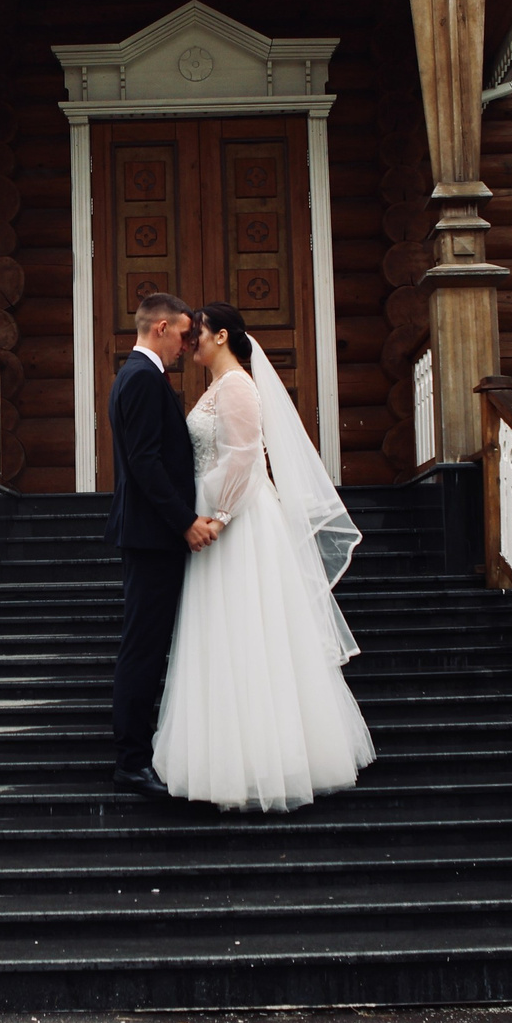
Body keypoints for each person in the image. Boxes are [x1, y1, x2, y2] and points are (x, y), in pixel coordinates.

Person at [151, 302, 375, 811]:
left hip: (238, 524)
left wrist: (219, 516)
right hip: (214, 516)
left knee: (248, 631)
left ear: (221, 336)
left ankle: (263, 761)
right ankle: (226, 756)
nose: (191, 342)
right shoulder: (217, 385)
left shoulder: (235, 386)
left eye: (199, 333)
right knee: (223, 634)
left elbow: (244, 456)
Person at [105, 292, 216, 797]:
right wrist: (186, 522)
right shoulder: (142, 378)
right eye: (184, 335)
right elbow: (145, 461)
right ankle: (131, 759)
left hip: (149, 533)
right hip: (153, 536)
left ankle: (137, 752)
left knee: (146, 644)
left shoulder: (137, 376)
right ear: (162, 328)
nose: (187, 346)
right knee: (144, 647)